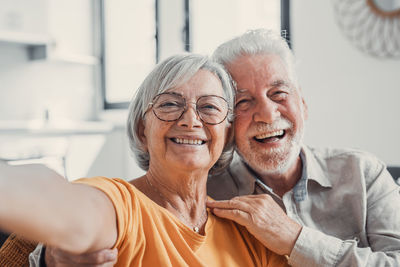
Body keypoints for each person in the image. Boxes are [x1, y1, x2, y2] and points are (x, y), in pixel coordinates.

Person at [35, 29, 400, 266]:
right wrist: (54, 254)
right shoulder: (202, 186)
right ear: (226, 127)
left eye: (279, 94)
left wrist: (295, 239)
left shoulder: (363, 173)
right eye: (243, 102)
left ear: (302, 104)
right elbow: (103, 212)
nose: (266, 113)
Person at [0, 54, 289, 266]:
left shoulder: (249, 234)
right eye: (169, 104)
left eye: (209, 107)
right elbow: (69, 208)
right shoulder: (123, 205)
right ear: (142, 130)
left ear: (226, 135)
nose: (190, 120)